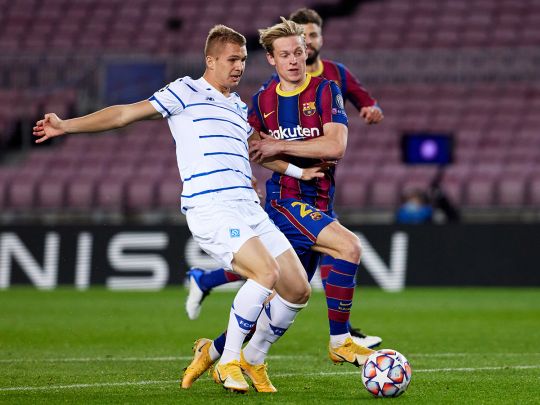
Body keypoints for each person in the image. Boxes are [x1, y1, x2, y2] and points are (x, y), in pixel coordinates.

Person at [32, 25, 325, 394]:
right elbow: (125, 114)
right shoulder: (185, 90)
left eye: (243, 60)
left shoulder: (238, 107)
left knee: (298, 289)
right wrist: (66, 126)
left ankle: (252, 358)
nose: (239, 66)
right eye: (232, 60)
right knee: (265, 273)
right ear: (211, 61)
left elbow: (259, 152)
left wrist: (299, 172)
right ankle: (228, 362)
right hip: (211, 206)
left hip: (248, 207)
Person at [181, 17, 376, 391]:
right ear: (271, 59)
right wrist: (251, 174)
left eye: (298, 52)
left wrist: (279, 145)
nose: (293, 60)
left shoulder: (326, 90)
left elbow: (335, 146)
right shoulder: (261, 101)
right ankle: (340, 341)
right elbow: (251, 147)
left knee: (284, 298)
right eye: (285, 54)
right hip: (285, 201)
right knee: (348, 247)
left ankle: (216, 352)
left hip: (320, 202)